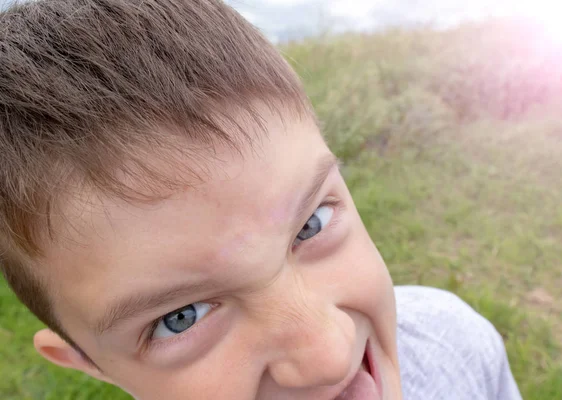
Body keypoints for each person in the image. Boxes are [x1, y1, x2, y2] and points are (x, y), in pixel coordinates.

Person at [0, 1, 522, 399]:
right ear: (90, 363)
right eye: (181, 316)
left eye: (311, 224)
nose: (330, 355)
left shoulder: (458, 341)